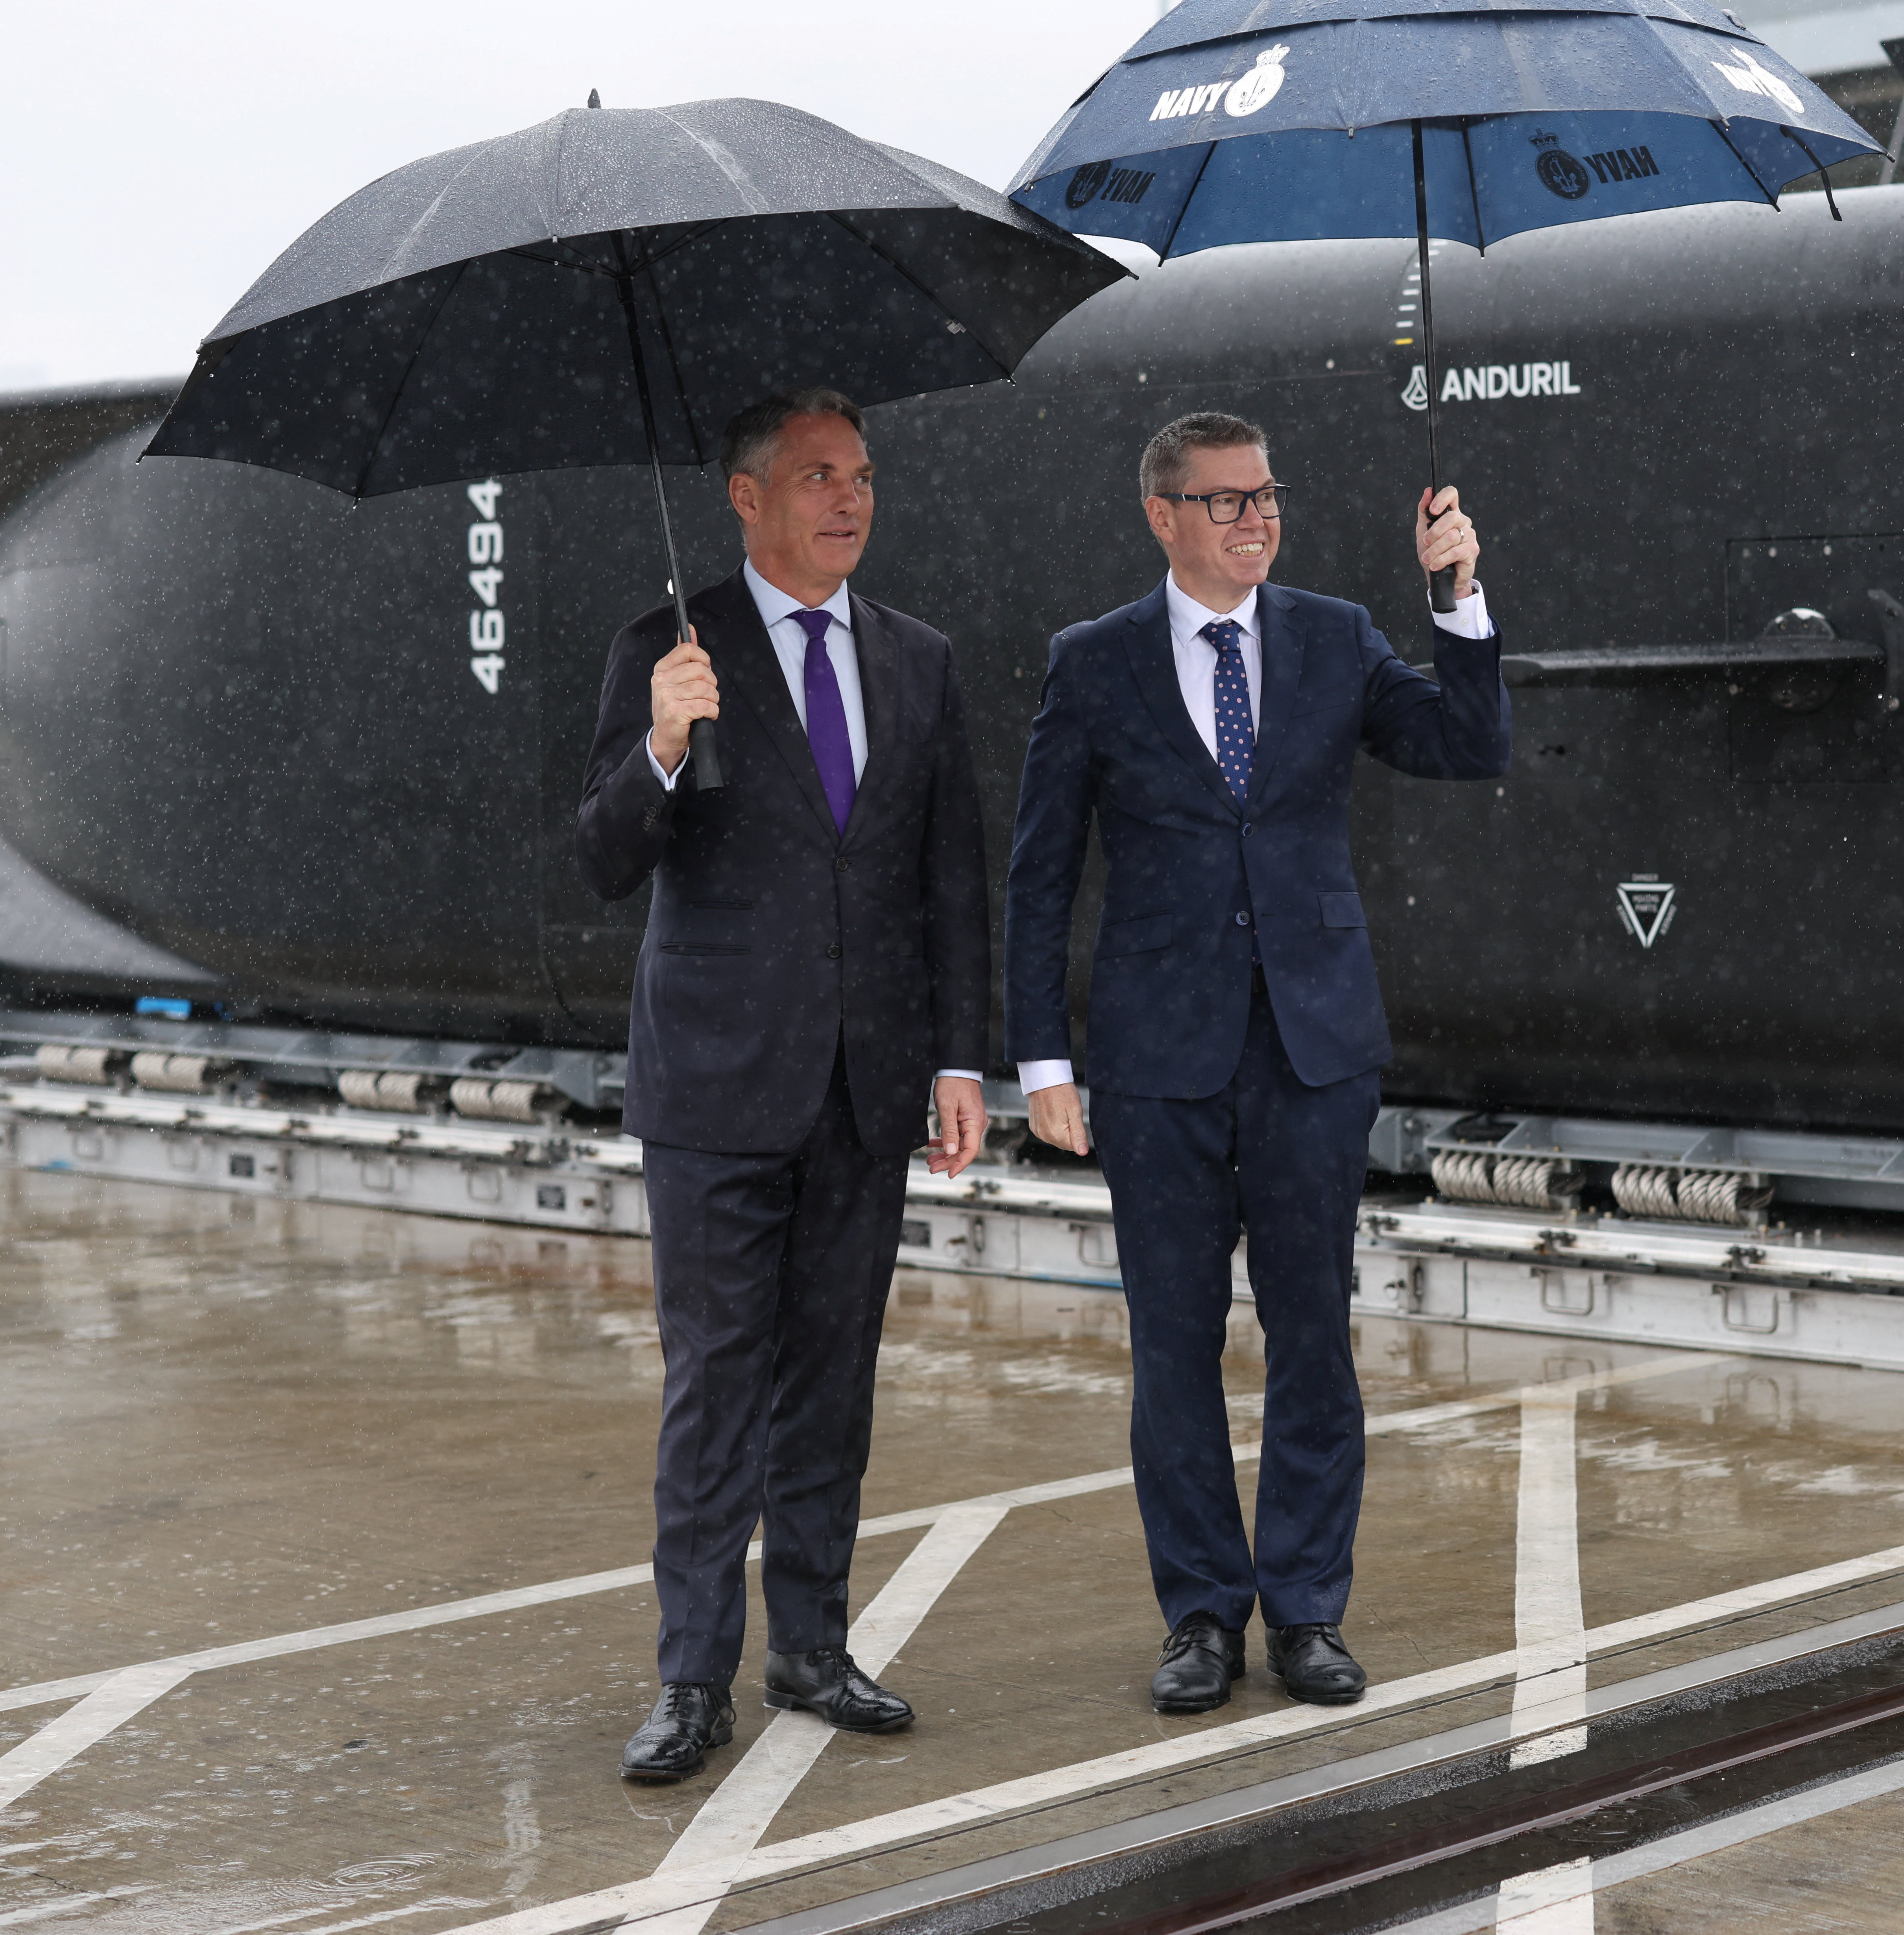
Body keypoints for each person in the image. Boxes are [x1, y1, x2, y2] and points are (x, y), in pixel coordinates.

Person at [1003, 410, 1509, 1714]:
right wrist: (1041, 1060)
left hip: (1312, 1047)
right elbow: (1041, 875)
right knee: (1172, 1348)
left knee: (1312, 1339)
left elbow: (1468, 745)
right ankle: (1199, 1618)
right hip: (1156, 1059)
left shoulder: (1335, 635)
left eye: (1267, 496)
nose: (1255, 519)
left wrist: (1457, 596)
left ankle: (1306, 1611)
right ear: (1163, 516)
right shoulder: (1095, 662)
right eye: (1225, 502)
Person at [574, 388, 990, 1784]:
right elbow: (601, 858)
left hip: (865, 1084)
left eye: (861, 476)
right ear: (747, 497)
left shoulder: (918, 659)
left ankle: (811, 1644)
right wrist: (663, 748)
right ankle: (693, 1678)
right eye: (817, 478)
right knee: (716, 1384)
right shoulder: (666, 648)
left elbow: (946, 876)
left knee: (832, 1379)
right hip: (714, 1089)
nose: (849, 500)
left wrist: (956, 1053)